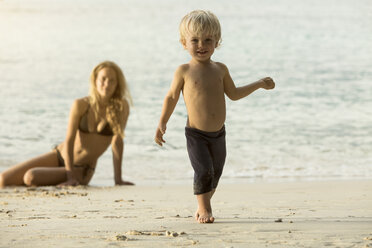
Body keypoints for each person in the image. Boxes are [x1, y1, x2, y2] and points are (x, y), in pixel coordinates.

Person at [154, 10, 275, 224]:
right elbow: (171, 96)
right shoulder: (183, 71)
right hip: (196, 134)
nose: (201, 44)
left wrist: (258, 84)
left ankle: (201, 206)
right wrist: (162, 121)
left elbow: (234, 94)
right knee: (203, 170)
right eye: (195, 40)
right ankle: (205, 208)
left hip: (219, 134)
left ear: (217, 42)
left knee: (215, 173)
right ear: (184, 43)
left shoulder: (220, 70)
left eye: (208, 39)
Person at [0, 61, 134, 187]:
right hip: (60, 155)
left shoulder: (121, 107)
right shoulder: (81, 105)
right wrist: (69, 175)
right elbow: (69, 141)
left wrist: (118, 179)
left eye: (112, 80)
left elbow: (117, 142)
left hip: (82, 168)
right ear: (95, 80)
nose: (107, 84)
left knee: (30, 177)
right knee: (4, 180)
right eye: (103, 79)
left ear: (118, 84)